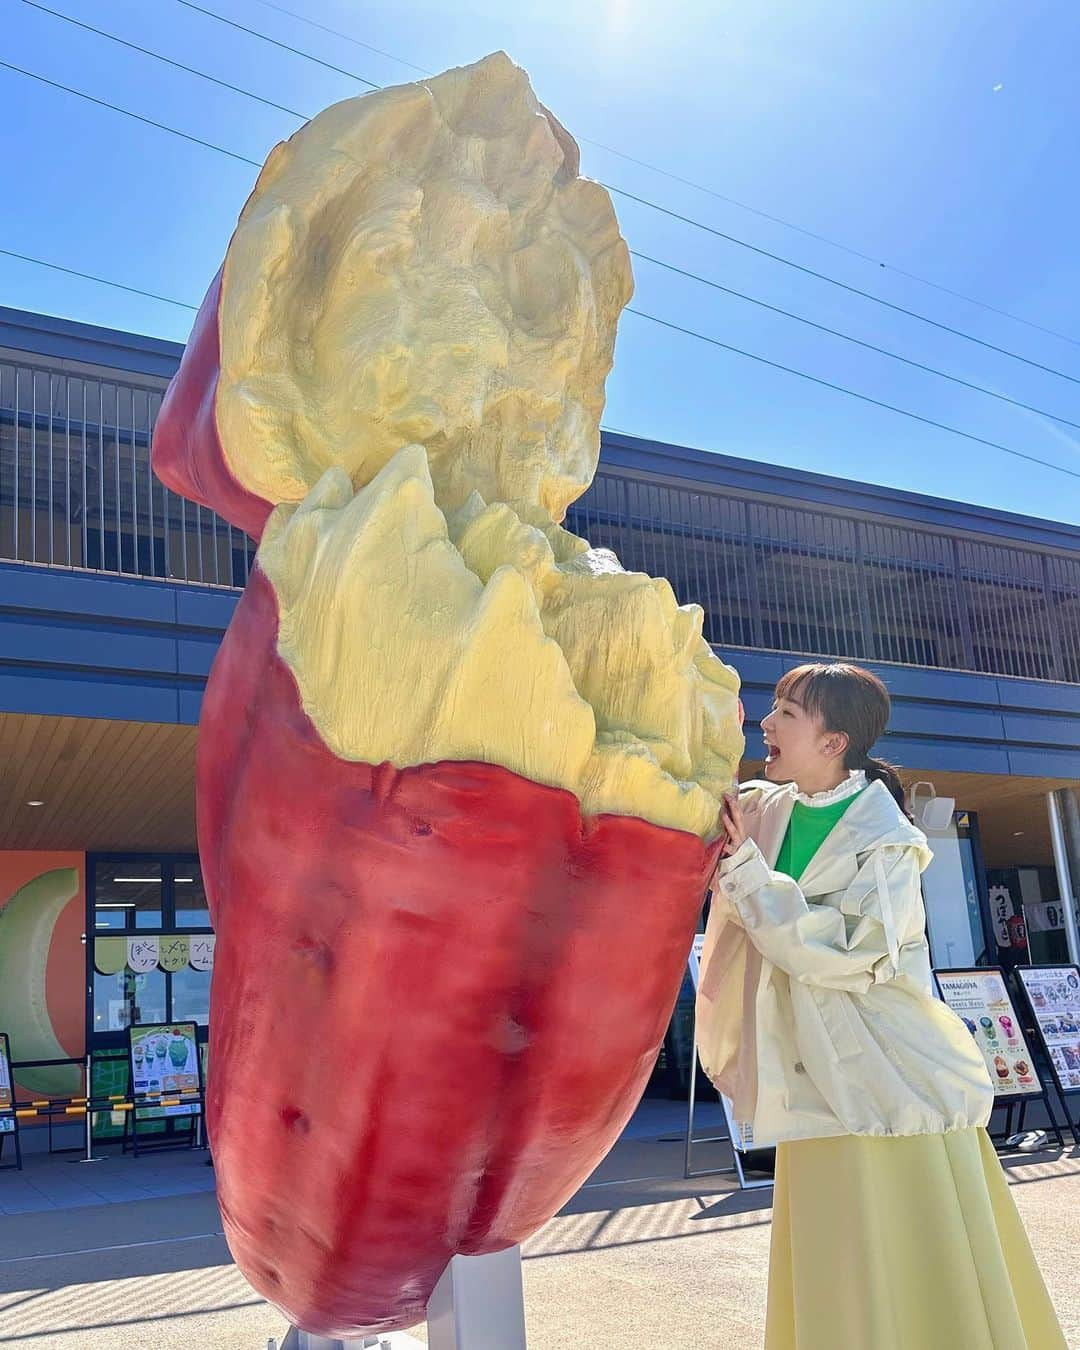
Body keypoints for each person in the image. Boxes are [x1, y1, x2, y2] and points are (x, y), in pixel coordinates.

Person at [696, 662, 1065, 1350]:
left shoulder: (889, 840)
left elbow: (849, 954)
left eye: (787, 712)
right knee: (837, 1250)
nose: (766, 722)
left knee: (903, 1247)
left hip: (884, 1076)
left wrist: (747, 873)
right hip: (811, 1073)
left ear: (834, 742)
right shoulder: (765, 808)